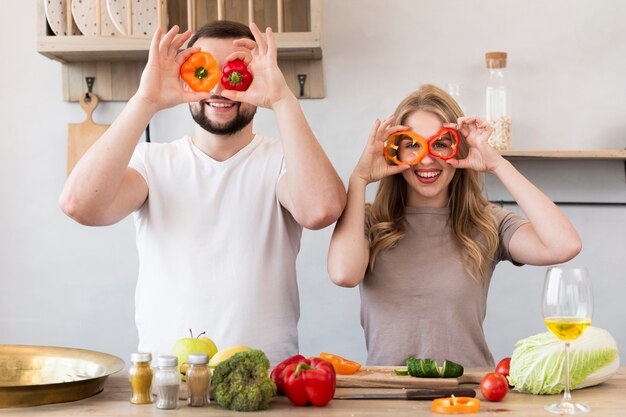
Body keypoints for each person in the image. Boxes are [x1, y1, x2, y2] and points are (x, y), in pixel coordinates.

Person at [59, 20, 346, 365]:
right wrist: (145, 99)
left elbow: (321, 210)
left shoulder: (284, 163)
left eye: (235, 72)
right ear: (184, 77)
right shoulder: (152, 163)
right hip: (167, 383)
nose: (220, 88)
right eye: (204, 70)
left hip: (266, 381)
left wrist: (282, 98)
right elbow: (78, 205)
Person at [327, 84, 581, 367]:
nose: (426, 158)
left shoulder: (487, 222)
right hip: (390, 398)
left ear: (457, 149)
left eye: (439, 143)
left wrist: (497, 164)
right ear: (394, 150)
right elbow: (343, 275)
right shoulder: (367, 220)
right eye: (412, 144)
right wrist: (359, 177)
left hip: (469, 396)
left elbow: (564, 245)